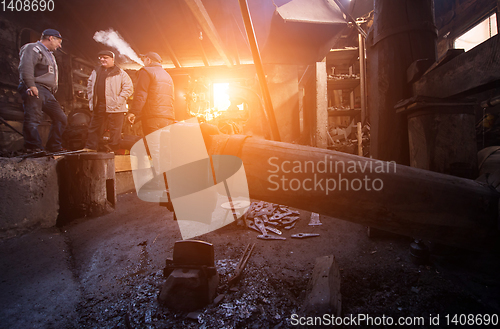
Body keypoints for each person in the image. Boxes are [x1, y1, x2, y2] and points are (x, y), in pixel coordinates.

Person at [18, 28, 67, 153]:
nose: (59, 45)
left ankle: (54, 146)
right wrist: (30, 85)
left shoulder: (49, 55)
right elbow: (26, 66)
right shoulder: (32, 48)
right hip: (35, 86)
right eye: (58, 42)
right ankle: (32, 146)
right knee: (33, 117)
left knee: (61, 118)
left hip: (47, 92)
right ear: (51, 38)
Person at [84, 50, 133, 152]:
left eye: (105, 57)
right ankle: (90, 148)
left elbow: (128, 88)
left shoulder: (120, 73)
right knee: (94, 128)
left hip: (116, 107)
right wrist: (91, 100)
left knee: (115, 131)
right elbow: (89, 86)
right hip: (99, 105)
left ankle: (113, 151)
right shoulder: (96, 71)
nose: (102, 59)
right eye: (101, 58)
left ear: (112, 59)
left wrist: (118, 101)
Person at [126, 52, 175, 136]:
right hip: (168, 117)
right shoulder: (167, 75)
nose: (143, 62)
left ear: (149, 60)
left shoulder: (146, 71)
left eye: (144, 59)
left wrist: (133, 112)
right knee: (164, 146)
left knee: (152, 146)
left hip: (152, 117)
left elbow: (141, 94)